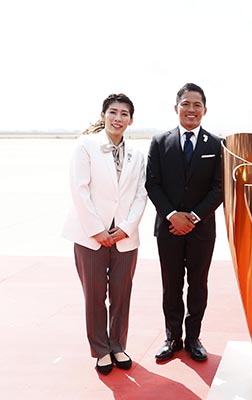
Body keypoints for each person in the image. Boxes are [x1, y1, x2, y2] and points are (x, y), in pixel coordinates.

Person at [63, 93, 147, 375]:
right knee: (95, 295)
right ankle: (101, 350)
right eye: (113, 112)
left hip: (125, 237)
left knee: (122, 293)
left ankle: (118, 345)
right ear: (103, 115)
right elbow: (80, 188)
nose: (118, 118)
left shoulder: (137, 154)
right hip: (91, 237)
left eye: (124, 114)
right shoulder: (86, 146)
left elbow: (140, 193)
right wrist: (97, 229)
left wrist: (126, 227)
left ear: (131, 120)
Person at [146, 83, 223, 363]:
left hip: (201, 229)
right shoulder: (159, 142)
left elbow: (220, 188)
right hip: (168, 229)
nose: (191, 110)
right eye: (186, 104)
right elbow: (152, 184)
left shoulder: (216, 144)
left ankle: (193, 338)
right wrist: (172, 215)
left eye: (197, 105)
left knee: (198, 284)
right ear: (176, 107)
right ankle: (172, 337)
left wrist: (192, 217)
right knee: (172, 284)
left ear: (204, 109)